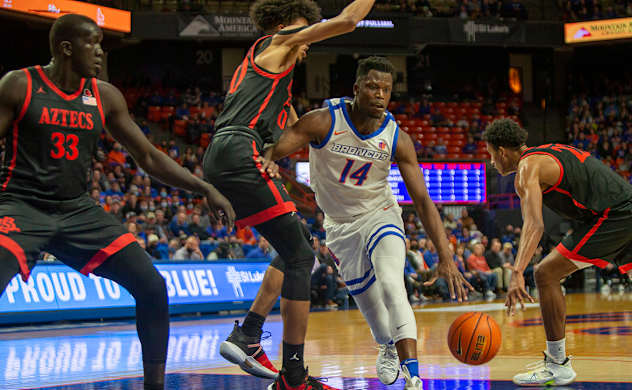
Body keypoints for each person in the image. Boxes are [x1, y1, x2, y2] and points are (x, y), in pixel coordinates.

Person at [0, 14, 235, 390]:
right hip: (22, 205)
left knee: (152, 286)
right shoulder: (19, 85)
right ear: (66, 48)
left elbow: (148, 157)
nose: (99, 51)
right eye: (91, 43)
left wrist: (202, 187)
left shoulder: (104, 96)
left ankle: (154, 386)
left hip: (77, 209)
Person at [248, 56, 472, 390]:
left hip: (380, 214)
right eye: (372, 86)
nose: (380, 94)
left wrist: (446, 256)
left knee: (393, 283)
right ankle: (386, 346)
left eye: (386, 88)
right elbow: (277, 148)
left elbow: (423, 201)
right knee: (370, 308)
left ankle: (414, 375)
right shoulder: (323, 121)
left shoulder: (398, 138)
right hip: (340, 226)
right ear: (356, 89)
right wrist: (266, 157)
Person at [201, 0, 378, 388]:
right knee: (301, 256)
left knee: (297, 243)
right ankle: (293, 377)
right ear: (283, 25)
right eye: (304, 30)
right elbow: (348, 20)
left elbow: (301, 135)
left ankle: (248, 334)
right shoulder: (275, 43)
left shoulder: (275, 88)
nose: (307, 41)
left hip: (227, 154)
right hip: (235, 149)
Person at [483, 119, 632, 386]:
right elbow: (599, 178)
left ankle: (557, 365)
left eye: (492, 155)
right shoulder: (551, 150)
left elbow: (535, 223)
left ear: (502, 151)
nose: (492, 162)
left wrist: (517, 271)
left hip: (615, 216)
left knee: (545, 273)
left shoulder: (527, 168)